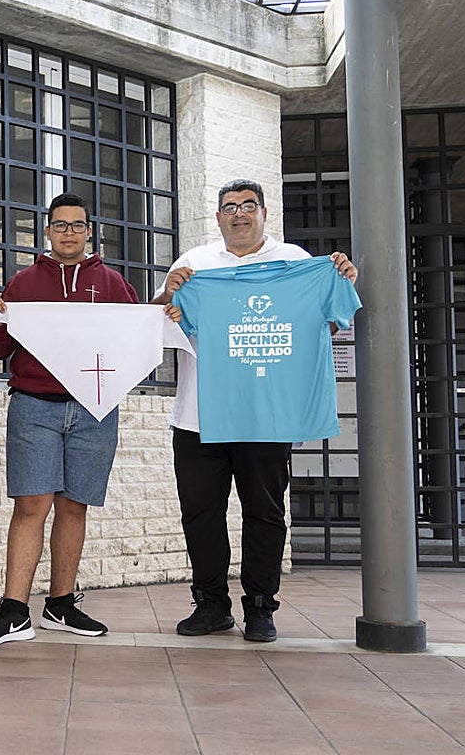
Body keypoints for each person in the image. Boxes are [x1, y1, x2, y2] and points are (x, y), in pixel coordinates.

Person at [152, 178, 357, 643]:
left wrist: (340, 277)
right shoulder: (193, 264)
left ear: (265, 212)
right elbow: (160, 326)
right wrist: (170, 295)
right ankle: (210, 605)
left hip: (266, 417)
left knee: (263, 514)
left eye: (248, 206)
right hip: (197, 416)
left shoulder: (296, 263)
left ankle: (261, 607)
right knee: (200, 513)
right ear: (218, 215)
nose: (238, 214)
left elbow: (328, 318)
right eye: (229, 207)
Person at [0, 192, 139, 646]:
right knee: (30, 506)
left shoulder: (114, 285)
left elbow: (134, 343)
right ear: (47, 231)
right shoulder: (23, 284)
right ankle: (13, 611)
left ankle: (61, 606)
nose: (68, 232)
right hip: (35, 406)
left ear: (89, 231)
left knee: (74, 506)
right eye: (59, 224)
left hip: (94, 410)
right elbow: (1, 351)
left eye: (76, 224)